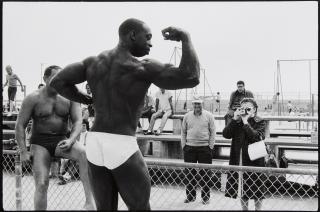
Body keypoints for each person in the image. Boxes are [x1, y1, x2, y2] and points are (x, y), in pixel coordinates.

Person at [50, 18, 200, 210]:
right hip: (121, 143)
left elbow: (57, 82)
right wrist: (186, 37)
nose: (151, 43)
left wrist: (86, 99)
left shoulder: (93, 63)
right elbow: (191, 77)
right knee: (140, 208)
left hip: (95, 143)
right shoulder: (142, 67)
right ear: (132, 35)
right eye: (147, 37)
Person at [15, 65, 95, 210]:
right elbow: (20, 125)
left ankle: (90, 203)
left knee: (84, 153)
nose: (59, 81)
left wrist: (71, 139)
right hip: (40, 144)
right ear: (45, 79)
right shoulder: (33, 98)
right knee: (41, 183)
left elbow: (78, 121)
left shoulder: (70, 97)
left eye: (61, 78)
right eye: (54, 77)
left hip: (62, 141)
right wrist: (23, 151)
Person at [222, 98, 267, 211]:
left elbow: (256, 137)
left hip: (256, 159)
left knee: (257, 188)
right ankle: (244, 210)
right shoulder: (237, 122)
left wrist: (246, 122)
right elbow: (226, 134)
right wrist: (234, 119)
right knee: (242, 188)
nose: (245, 111)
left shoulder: (260, 121)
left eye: (248, 108)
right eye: (243, 108)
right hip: (240, 158)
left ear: (255, 110)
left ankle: (258, 209)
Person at [181, 96, 216, 204]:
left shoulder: (209, 116)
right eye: (195, 104)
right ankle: (190, 196)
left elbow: (213, 131)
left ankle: (205, 197)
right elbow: (183, 132)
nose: (197, 106)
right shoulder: (187, 116)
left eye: (199, 104)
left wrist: (210, 146)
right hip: (190, 147)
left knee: (205, 174)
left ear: (202, 104)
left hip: (204, 148)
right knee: (189, 174)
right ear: (193, 105)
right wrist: (184, 145)